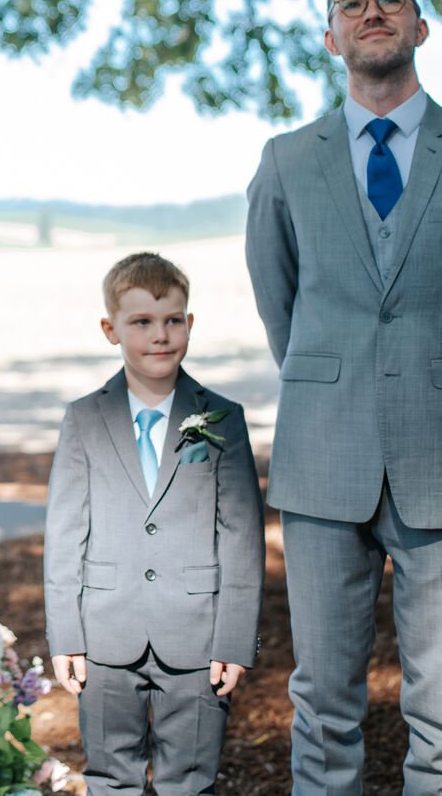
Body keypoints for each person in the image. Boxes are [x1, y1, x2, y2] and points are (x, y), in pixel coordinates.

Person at [245, 0, 442, 795]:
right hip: (322, 460)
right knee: (322, 701)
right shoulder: (286, 160)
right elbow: (281, 309)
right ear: (330, 36)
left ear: (421, 26)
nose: (372, 11)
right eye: (352, 3)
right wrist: (338, 390)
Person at [45, 252, 264, 796]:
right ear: (110, 330)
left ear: (190, 323)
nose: (160, 336)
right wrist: (66, 636)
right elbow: (65, 534)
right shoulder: (84, 419)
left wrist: (234, 639)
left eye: (172, 320)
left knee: (189, 781)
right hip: (104, 635)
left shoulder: (223, 418)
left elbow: (241, 537)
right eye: (141, 322)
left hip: (197, 638)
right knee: (109, 778)